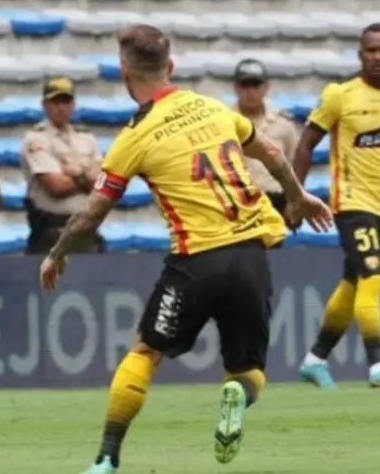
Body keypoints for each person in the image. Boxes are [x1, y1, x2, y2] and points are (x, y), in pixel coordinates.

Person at [38, 24, 333, 474]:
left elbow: (91, 214)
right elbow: (271, 150)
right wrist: (296, 196)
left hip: (195, 263)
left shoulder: (133, 137)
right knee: (248, 373)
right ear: (170, 66)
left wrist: (57, 253)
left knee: (144, 352)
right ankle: (236, 397)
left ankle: (106, 458)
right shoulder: (212, 108)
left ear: (124, 73)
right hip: (252, 255)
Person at [296, 22, 380, 390]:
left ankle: (315, 360)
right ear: (360, 54)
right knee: (373, 277)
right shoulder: (340, 96)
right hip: (351, 203)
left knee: (353, 282)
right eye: (370, 50)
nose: (377, 57)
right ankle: (378, 366)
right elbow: (305, 145)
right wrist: (297, 197)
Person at [23, 77, 105, 254]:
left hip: (86, 230)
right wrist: (85, 176)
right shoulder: (37, 139)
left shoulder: (86, 138)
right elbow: (56, 186)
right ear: (44, 105)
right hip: (52, 232)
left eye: (66, 101)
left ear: (73, 104)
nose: (61, 107)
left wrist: (75, 173)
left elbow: (102, 183)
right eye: (55, 101)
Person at [231, 59, 300, 218]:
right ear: (236, 87)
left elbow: (293, 164)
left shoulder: (283, 124)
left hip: (275, 199)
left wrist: (294, 200)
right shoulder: (225, 122)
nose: (250, 91)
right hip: (240, 201)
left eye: (255, 85)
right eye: (245, 85)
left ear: (266, 87)